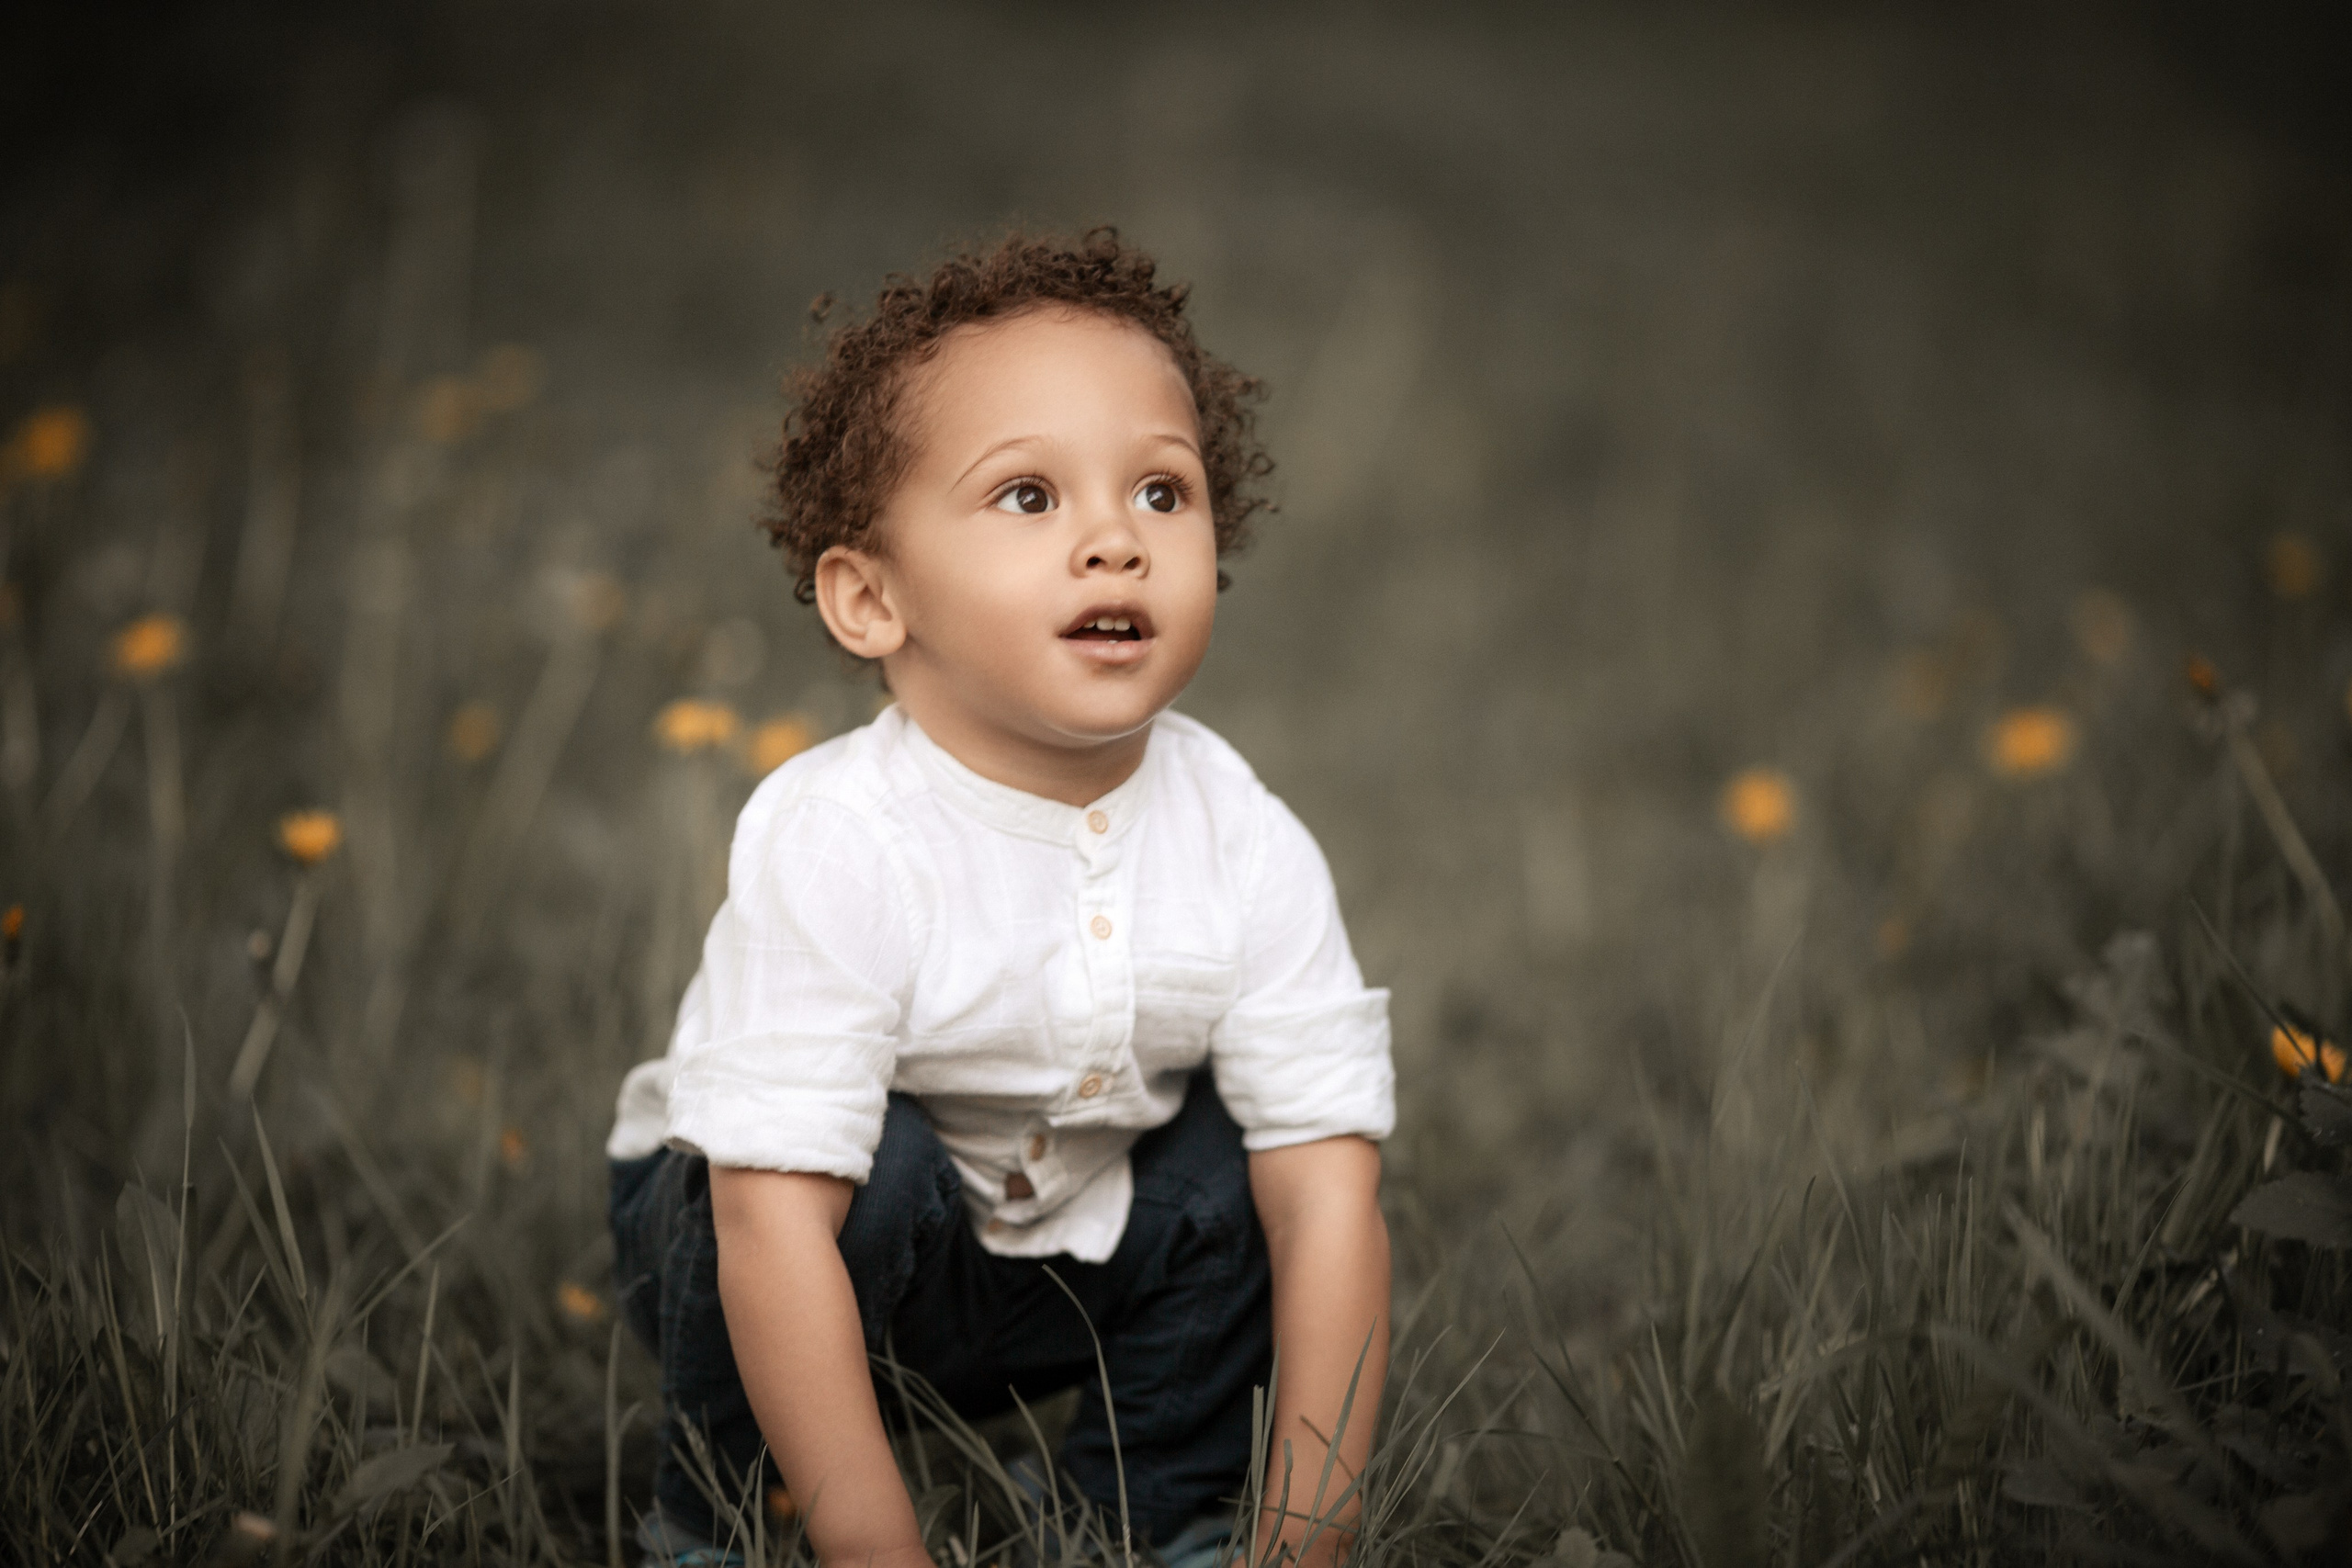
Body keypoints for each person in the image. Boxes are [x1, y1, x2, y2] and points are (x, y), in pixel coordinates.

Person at [606, 231, 1394, 1568]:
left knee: (1259, 1162)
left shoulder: (1242, 836)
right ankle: (726, 1513)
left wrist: (1312, 1528)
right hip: (766, 1241)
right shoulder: (841, 838)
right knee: (869, 1163)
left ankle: (1147, 1521)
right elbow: (766, 1219)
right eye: (1029, 498)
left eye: (1162, 492)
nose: (1113, 543)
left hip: (1055, 1237)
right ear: (871, 599)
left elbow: (1329, 1201)